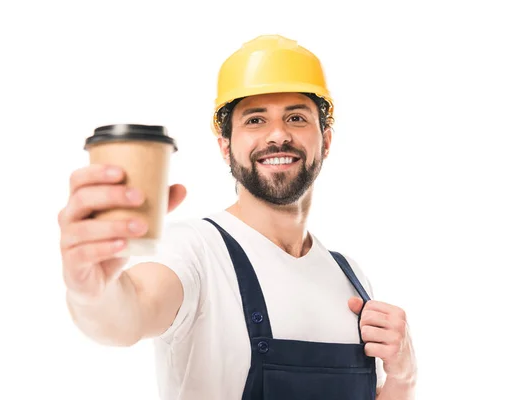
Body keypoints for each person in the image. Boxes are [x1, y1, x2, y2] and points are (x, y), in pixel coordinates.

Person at [58, 35, 417, 399]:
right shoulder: (195, 250)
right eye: (256, 120)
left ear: (325, 139)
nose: (278, 135)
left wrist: (403, 379)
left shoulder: (351, 280)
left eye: (296, 117)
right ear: (225, 146)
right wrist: (91, 292)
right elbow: (126, 315)